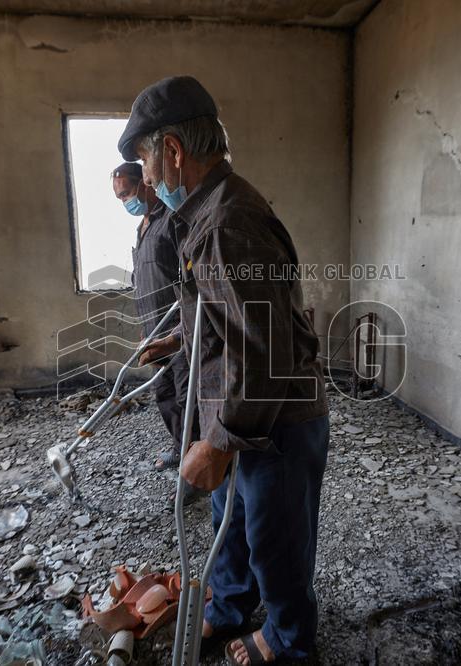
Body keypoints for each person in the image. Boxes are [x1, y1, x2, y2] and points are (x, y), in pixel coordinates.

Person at [119, 76, 329, 665]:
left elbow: (264, 350)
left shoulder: (226, 222)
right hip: (243, 412)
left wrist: (215, 443)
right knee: (231, 521)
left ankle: (289, 639)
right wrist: (178, 337)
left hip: (275, 417)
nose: (149, 177)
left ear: (175, 151)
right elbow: (228, 312)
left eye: (147, 161)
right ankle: (232, 604)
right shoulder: (209, 211)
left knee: (275, 538)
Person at [110, 162, 199, 471]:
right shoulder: (144, 226)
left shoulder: (173, 222)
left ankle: (200, 467)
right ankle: (182, 449)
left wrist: (179, 333)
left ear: (145, 184)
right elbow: (147, 280)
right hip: (154, 330)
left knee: (189, 401)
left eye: (126, 194)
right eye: (119, 198)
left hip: (179, 332)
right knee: (165, 395)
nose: (125, 202)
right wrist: (145, 329)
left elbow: (192, 280)